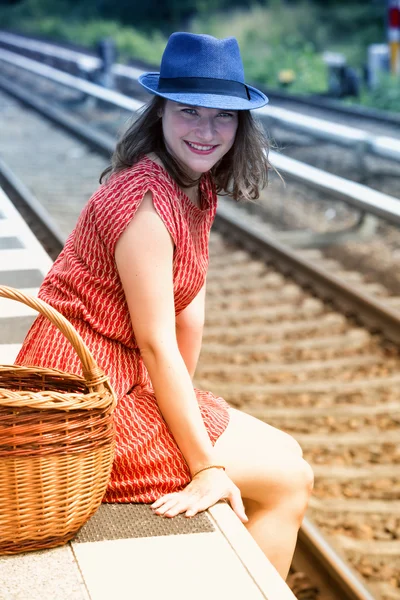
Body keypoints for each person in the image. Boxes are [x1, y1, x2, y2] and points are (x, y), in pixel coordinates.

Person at [16, 32, 313, 580]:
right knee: (290, 478)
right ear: (160, 114)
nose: (205, 130)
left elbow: (187, 321)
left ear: (240, 125)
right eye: (189, 112)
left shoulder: (195, 189)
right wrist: (204, 467)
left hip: (124, 385)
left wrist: (174, 412)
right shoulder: (147, 203)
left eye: (222, 117)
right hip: (82, 400)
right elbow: (158, 342)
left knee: (288, 454)